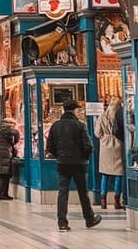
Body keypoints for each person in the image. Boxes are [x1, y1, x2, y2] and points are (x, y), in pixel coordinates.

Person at [46, 99, 102, 232]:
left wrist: (59, 156)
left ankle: (62, 223)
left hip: (62, 164)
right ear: (75, 110)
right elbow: (88, 146)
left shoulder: (56, 126)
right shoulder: (80, 125)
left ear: (64, 110)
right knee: (83, 193)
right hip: (79, 164)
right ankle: (89, 219)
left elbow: (50, 146)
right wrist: (84, 157)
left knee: (62, 192)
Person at [94, 97, 125, 210]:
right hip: (117, 145)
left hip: (105, 146)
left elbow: (97, 133)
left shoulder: (102, 117)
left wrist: (104, 137)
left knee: (105, 174)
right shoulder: (120, 116)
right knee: (118, 174)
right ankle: (117, 201)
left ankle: (103, 201)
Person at [0, 117, 20, 200]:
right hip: (4, 153)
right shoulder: (7, 127)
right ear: (10, 123)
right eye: (13, 125)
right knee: (5, 174)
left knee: (0, 174)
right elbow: (16, 133)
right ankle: (4, 194)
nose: (13, 127)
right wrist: (15, 142)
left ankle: (2, 193)